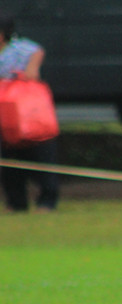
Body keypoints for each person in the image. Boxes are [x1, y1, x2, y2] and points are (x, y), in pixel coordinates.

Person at [0, 14, 59, 213]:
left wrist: (30, 69)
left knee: (42, 154)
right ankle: (16, 202)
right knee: (9, 160)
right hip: (5, 118)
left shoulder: (19, 48)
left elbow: (37, 51)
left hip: (28, 113)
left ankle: (47, 201)